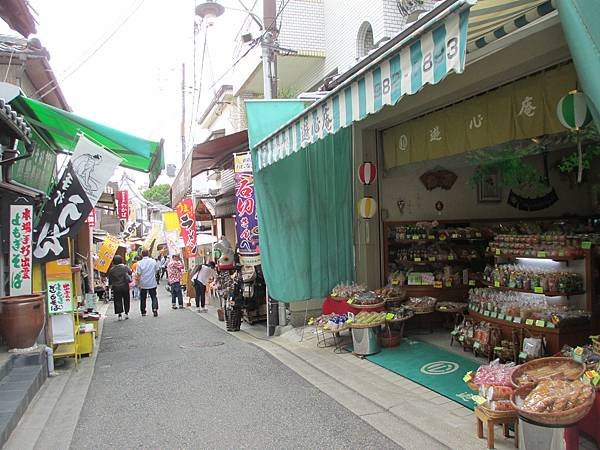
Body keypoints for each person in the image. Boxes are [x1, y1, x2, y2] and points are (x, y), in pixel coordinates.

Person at [107, 255, 132, 320]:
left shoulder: (112, 270)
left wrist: (110, 287)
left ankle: (119, 314)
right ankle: (126, 313)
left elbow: (110, 280)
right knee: (126, 299)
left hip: (116, 287)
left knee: (118, 300)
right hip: (125, 286)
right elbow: (130, 272)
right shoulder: (125, 267)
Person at [136, 249, 159, 317]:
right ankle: (154, 309)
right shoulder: (153, 261)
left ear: (141, 254)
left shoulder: (139, 263)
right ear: (148, 254)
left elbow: (138, 274)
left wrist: (138, 283)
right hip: (152, 282)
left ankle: (143, 311)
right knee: (153, 296)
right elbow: (157, 270)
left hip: (143, 283)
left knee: (143, 298)